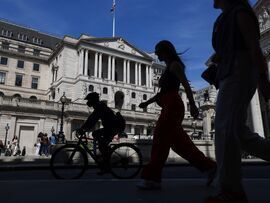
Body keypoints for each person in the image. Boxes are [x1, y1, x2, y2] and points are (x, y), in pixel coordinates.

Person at [205, 0, 270, 202]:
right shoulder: (225, 17)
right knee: (239, 133)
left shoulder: (241, 12)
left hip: (239, 73)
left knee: (224, 129)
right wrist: (218, 56)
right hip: (229, 73)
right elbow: (236, 44)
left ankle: (232, 190)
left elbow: (254, 47)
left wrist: (263, 79)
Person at [136, 40, 217, 190]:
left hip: (173, 105)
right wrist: (147, 104)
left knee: (160, 140)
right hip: (168, 104)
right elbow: (162, 93)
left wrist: (192, 105)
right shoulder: (168, 67)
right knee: (179, 144)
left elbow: (185, 85)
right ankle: (209, 167)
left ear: (165, 51)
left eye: (158, 50)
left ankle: (152, 178)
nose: (156, 53)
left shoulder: (175, 65)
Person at [77, 92, 126, 174]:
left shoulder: (100, 107)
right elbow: (91, 119)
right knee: (95, 134)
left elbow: (92, 120)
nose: (87, 102)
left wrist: (83, 128)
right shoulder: (99, 106)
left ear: (93, 100)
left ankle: (106, 165)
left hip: (115, 126)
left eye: (89, 100)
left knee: (102, 144)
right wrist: (84, 128)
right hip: (111, 126)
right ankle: (103, 155)